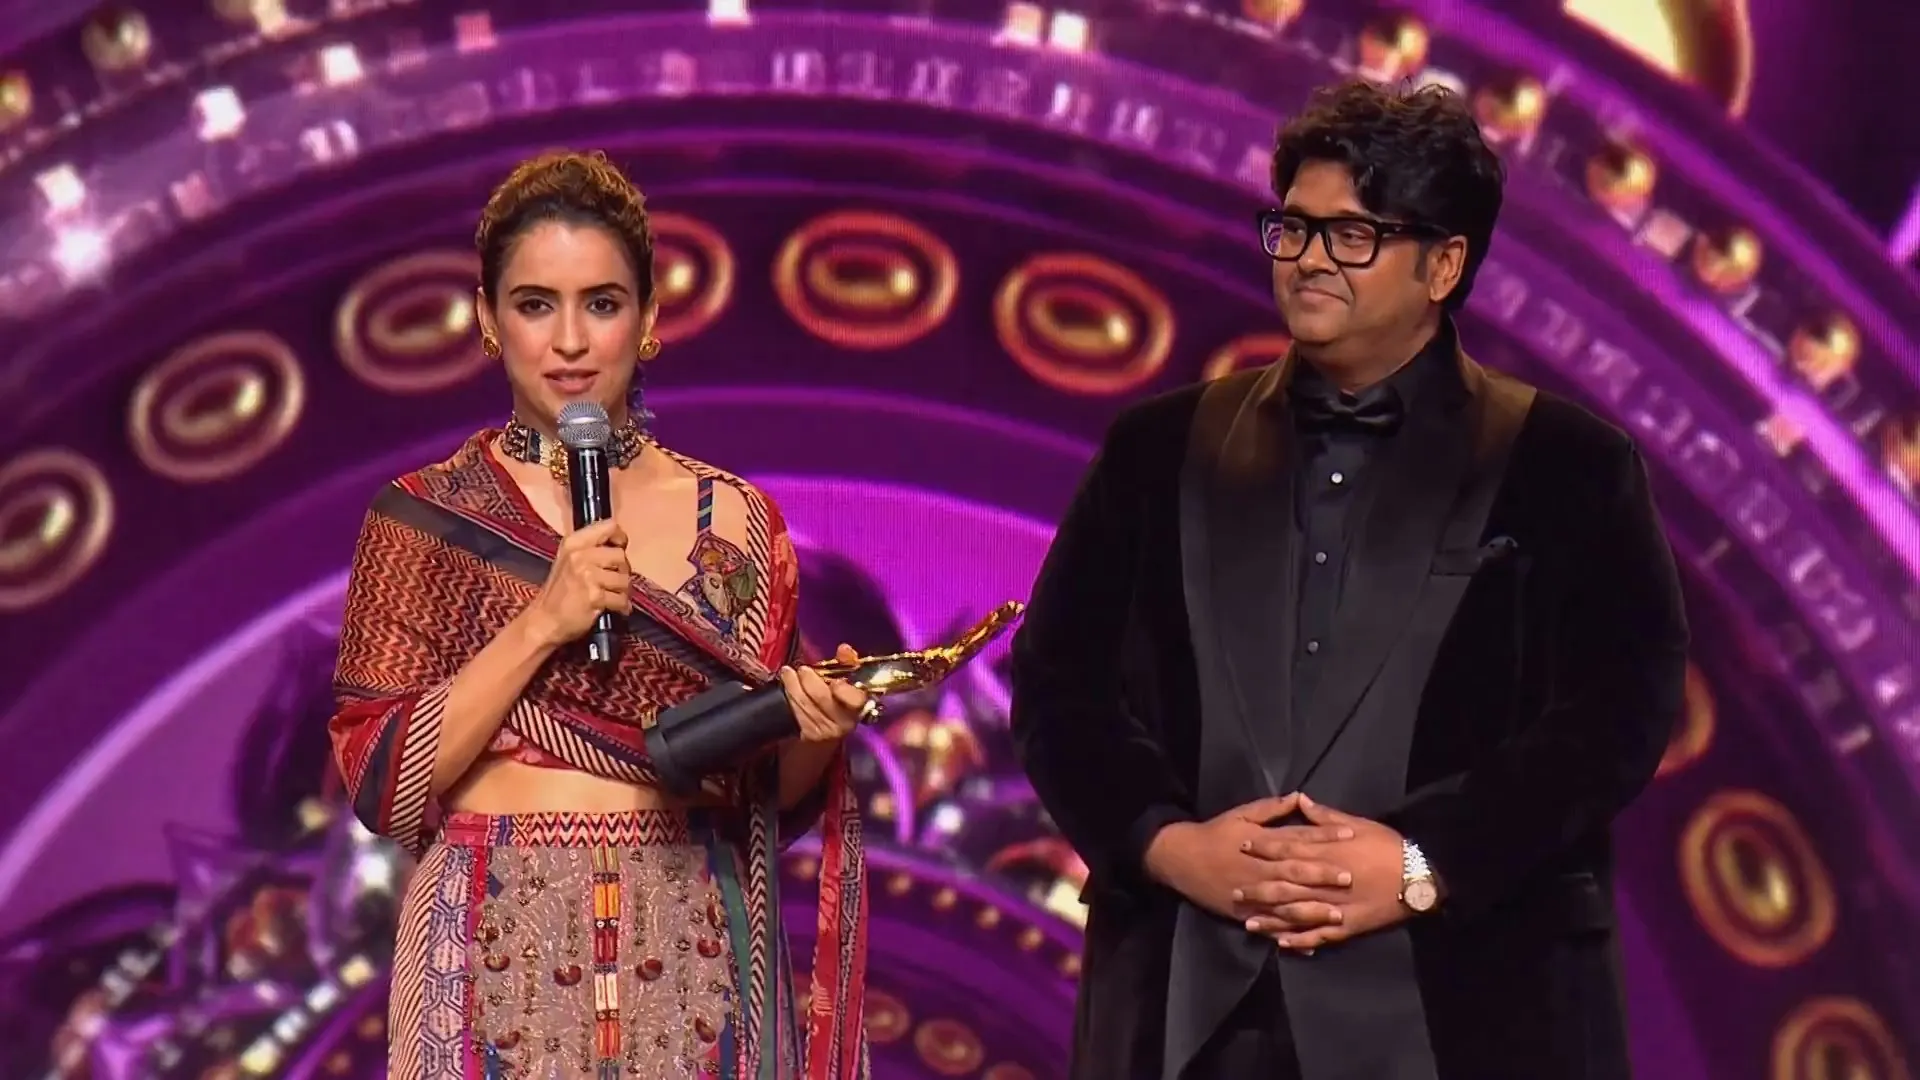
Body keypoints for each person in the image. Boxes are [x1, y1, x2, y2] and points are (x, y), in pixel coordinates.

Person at [1009, 80, 1687, 1080]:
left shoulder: (1570, 466)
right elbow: (1059, 686)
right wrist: (1169, 845)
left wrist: (1420, 863)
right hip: (1190, 1005)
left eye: (1353, 235)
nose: (1310, 259)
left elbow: (1618, 713)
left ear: (1444, 263)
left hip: (1462, 1006)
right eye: (1293, 228)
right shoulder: (1158, 450)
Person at [327, 150, 874, 1080]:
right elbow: (384, 782)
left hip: (695, 944)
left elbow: (759, 796)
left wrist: (815, 736)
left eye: (604, 304)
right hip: (492, 943)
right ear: (488, 320)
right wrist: (542, 621)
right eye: (536, 304)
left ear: (650, 318)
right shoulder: (427, 520)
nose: (571, 341)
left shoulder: (735, 522)